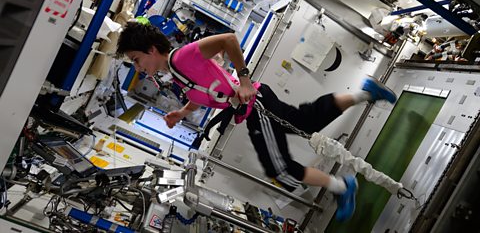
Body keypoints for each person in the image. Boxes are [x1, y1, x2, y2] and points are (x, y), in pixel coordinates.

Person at [116, 21, 397, 221]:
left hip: (255, 105)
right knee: (306, 119)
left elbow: (229, 39)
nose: (138, 68)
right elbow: (204, 93)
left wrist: (246, 79)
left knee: (280, 169)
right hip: (253, 105)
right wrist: (182, 113)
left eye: (137, 60)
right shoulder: (176, 74)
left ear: (152, 49)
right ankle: (365, 93)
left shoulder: (182, 57)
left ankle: (341, 186)